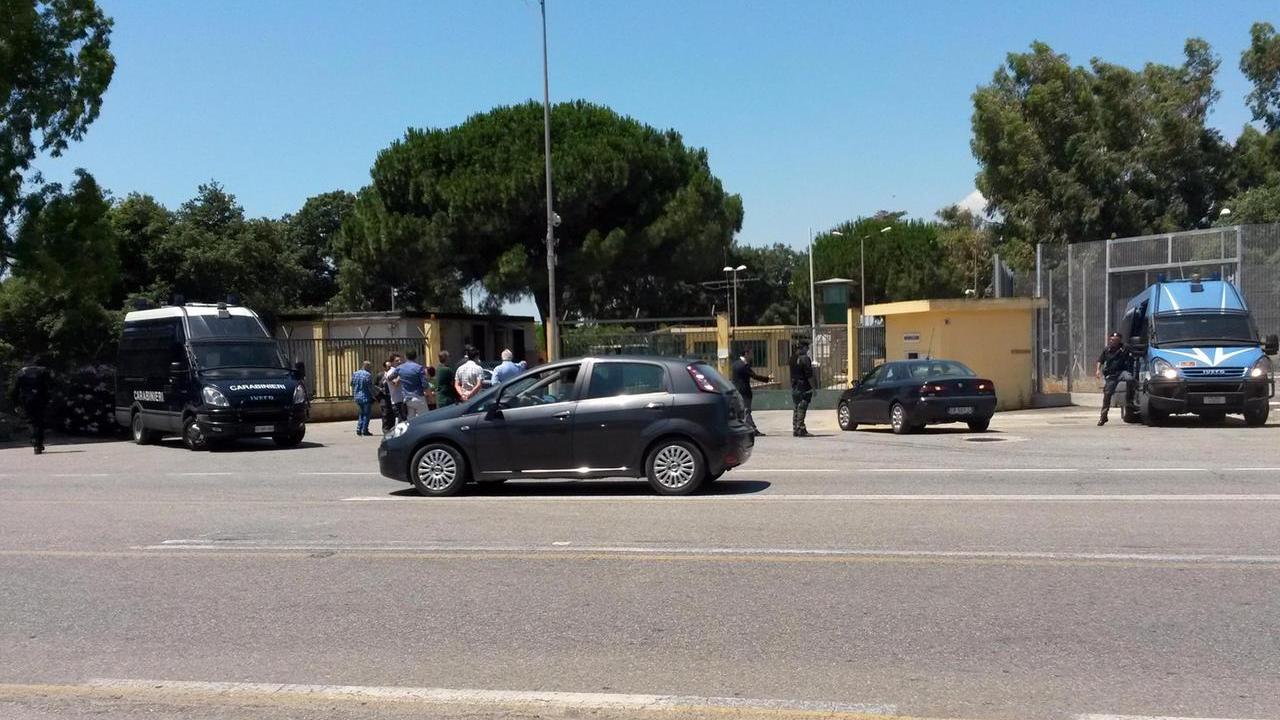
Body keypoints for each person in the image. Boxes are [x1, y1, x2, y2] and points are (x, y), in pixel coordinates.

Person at [9, 358, 51, 454]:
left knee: (31, 421)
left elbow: (14, 390)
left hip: (27, 400)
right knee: (40, 421)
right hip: (41, 398)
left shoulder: (21, 373)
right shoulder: (43, 371)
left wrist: (16, 403)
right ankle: (38, 442)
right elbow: (51, 385)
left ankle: (36, 441)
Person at [1095, 331, 1135, 426]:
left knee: (1130, 379)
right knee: (1107, 394)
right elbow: (1100, 360)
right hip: (1111, 375)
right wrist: (1097, 370)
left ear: (1119, 340)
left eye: (1115, 340)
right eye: (1111, 339)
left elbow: (1134, 354)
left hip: (1122, 372)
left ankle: (1130, 400)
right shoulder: (1107, 350)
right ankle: (1103, 417)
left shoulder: (1124, 348)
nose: (1112, 341)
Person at [732, 349, 773, 437]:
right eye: (751, 354)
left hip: (736, 391)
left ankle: (742, 430)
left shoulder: (735, 364)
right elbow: (754, 376)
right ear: (746, 354)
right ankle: (753, 430)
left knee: (741, 412)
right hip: (744, 392)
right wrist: (767, 379)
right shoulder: (744, 365)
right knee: (746, 411)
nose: (752, 356)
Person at [789, 339, 815, 437]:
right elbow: (809, 376)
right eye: (807, 348)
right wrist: (813, 388)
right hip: (804, 387)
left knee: (796, 407)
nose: (807, 350)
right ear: (803, 348)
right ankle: (801, 428)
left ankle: (795, 428)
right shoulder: (805, 359)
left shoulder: (792, 358)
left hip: (795, 386)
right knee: (802, 407)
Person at [350, 360, 374, 436]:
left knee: (361, 413)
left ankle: (358, 429)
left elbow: (351, 384)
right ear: (367, 366)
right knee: (366, 414)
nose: (370, 368)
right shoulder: (368, 375)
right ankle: (364, 430)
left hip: (357, 397)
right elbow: (370, 387)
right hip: (366, 397)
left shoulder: (355, 373)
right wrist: (373, 396)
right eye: (370, 367)